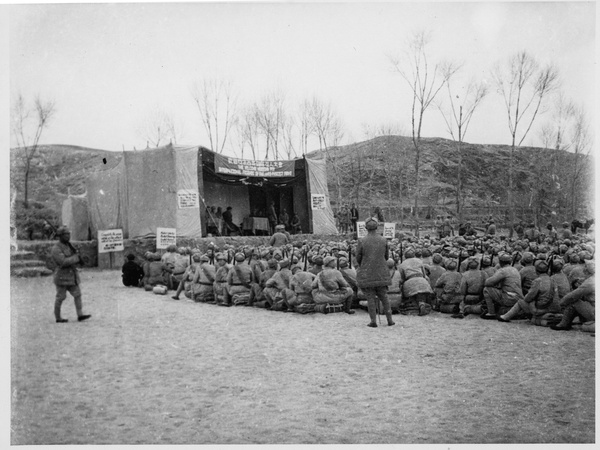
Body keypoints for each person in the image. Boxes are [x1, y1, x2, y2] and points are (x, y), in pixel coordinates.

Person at [356, 217, 394, 327]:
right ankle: (390, 320)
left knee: (370, 298)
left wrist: (364, 264)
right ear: (377, 227)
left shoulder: (362, 241)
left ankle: (373, 321)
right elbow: (386, 256)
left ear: (366, 228)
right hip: (382, 272)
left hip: (367, 272)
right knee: (384, 297)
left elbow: (358, 257)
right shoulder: (383, 240)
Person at [51, 226, 91, 323]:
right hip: (61, 277)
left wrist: (79, 259)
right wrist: (76, 258)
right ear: (60, 236)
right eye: (65, 234)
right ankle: (58, 317)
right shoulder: (56, 248)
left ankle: (80, 315)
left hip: (72, 276)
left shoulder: (69, 246)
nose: (68, 236)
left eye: (68, 234)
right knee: (60, 297)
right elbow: (63, 262)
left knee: (77, 294)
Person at [551, 262, 595, 331]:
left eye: (585, 266)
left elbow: (573, 295)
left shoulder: (590, 282)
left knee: (574, 301)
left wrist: (561, 303)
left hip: (594, 311)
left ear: (587, 270)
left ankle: (563, 324)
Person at [481, 252, 524, 319]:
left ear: (500, 262)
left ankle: (491, 312)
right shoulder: (515, 269)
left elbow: (488, 283)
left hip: (508, 298)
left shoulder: (502, 271)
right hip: (517, 297)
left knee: (486, 289)